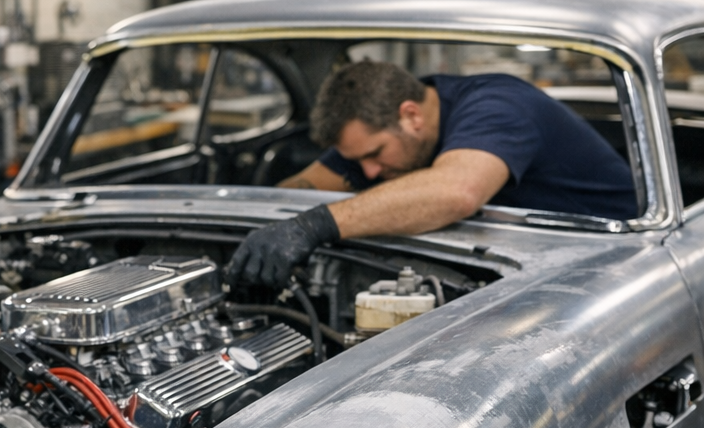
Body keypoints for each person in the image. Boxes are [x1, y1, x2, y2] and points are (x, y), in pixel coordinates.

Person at [228, 60, 639, 287]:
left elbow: (456, 191)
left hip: (614, 265)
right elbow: (300, 188)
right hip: (519, 262)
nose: (367, 170)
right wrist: (261, 234)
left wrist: (312, 225)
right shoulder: (383, 132)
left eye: (374, 155)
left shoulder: (498, 106)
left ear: (411, 116)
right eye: (358, 159)